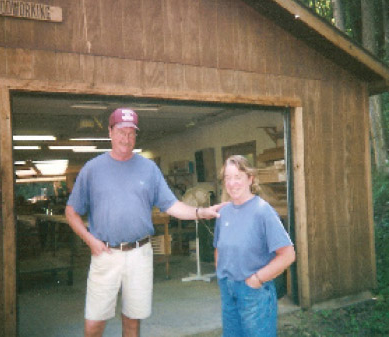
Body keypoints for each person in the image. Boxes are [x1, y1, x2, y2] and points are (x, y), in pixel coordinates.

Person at [65, 108, 225, 337]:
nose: (126, 138)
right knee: (94, 324)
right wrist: (90, 240)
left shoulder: (149, 169)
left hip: (140, 254)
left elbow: (172, 206)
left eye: (131, 133)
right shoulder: (92, 169)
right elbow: (71, 212)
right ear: (110, 132)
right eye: (121, 132)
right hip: (104, 254)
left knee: (132, 320)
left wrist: (202, 212)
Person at [213, 155, 296, 337]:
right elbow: (218, 248)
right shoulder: (224, 212)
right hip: (228, 291)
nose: (232, 183)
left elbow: (288, 255)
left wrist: (256, 280)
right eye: (228, 178)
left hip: (254, 293)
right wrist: (222, 276)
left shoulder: (263, 211)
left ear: (250, 179)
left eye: (238, 177)